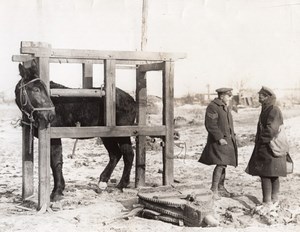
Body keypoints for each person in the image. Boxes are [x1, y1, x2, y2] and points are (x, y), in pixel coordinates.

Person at [246, 86, 287, 211]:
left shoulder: (273, 110)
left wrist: (261, 141)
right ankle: (274, 200)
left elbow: (271, 129)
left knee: (266, 174)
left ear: (268, 97)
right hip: (270, 146)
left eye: (261, 96)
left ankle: (267, 202)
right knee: (273, 174)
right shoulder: (267, 109)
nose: (259, 97)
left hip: (270, 147)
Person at [199, 87, 238, 199]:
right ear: (221, 96)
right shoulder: (213, 106)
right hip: (218, 141)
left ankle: (221, 188)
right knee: (220, 163)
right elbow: (211, 124)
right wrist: (219, 138)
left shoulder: (225, 106)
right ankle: (214, 189)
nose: (230, 98)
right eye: (228, 96)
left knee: (224, 163)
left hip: (227, 140)